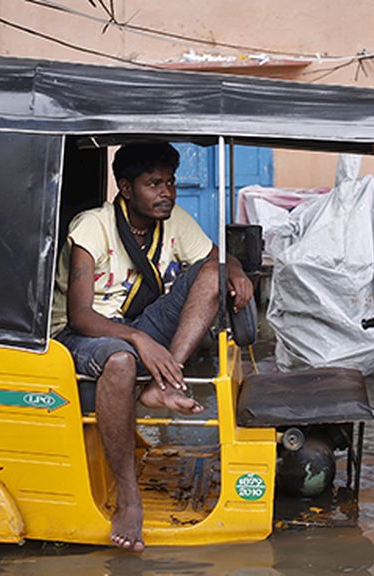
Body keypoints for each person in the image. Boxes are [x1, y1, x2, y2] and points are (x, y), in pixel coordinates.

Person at [50, 142, 253, 552]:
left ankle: (166, 383)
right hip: (84, 335)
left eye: (171, 183)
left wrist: (235, 271)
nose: (167, 193)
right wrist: (140, 339)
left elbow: (216, 258)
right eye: (154, 183)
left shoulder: (175, 221)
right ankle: (129, 498)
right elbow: (80, 316)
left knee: (211, 273)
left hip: (137, 327)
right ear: (126, 188)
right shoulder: (92, 227)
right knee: (121, 361)